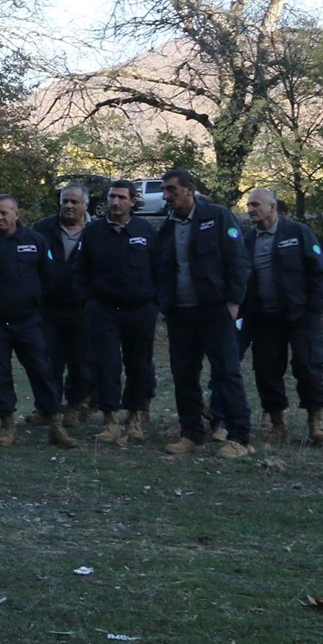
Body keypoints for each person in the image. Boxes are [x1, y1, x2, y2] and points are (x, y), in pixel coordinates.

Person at [155, 170, 253, 458]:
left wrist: (234, 301)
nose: (166, 195)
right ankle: (192, 435)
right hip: (180, 314)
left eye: (171, 189)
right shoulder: (168, 227)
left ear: (190, 189)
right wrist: (164, 303)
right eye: (163, 190)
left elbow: (238, 261)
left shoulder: (218, 216)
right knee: (184, 374)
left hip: (214, 311)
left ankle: (240, 438)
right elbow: (160, 268)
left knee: (226, 373)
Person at [0, 195, 74, 448]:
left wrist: (35, 304)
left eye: (4, 213)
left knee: (42, 372)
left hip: (28, 321)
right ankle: (8, 426)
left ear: (17, 214)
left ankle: (55, 425)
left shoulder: (35, 241)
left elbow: (49, 278)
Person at [242, 189, 323, 446]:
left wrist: (314, 308)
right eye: (248, 205)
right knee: (267, 371)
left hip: (301, 316)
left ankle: (315, 421)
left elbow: (319, 272)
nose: (251, 209)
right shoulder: (246, 241)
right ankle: (277, 424)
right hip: (264, 318)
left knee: (308, 366)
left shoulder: (297, 233)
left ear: (272, 207)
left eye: (256, 204)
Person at [79, 180, 159, 443]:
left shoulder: (145, 230)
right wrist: (88, 302)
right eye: (112, 197)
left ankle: (134, 419)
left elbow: (158, 269)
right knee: (105, 365)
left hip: (140, 309)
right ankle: (110, 419)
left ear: (133, 201)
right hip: (103, 310)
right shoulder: (93, 232)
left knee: (139, 364)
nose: (115, 202)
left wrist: (155, 303)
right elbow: (81, 271)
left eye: (121, 198)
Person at [33, 185, 95, 423]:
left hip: (83, 309)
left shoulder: (96, 230)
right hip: (49, 307)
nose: (68, 206)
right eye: (65, 201)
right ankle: (48, 407)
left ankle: (75, 404)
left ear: (85, 205)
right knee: (49, 361)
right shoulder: (43, 229)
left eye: (74, 202)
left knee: (80, 362)